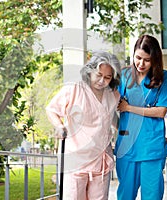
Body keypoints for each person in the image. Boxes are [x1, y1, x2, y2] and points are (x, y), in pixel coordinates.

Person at [46, 51, 121, 199]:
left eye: (107, 77)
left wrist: (124, 132)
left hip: (101, 158)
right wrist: (59, 126)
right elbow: (52, 109)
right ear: (90, 70)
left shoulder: (112, 94)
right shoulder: (74, 89)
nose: (102, 81)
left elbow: (110, 117)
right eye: (98, 75)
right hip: (76, 158)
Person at [114, 35, 167, 200]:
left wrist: (128, 108)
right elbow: (113, 105)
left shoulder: (164, 78)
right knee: (125, 196)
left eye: (147, 60)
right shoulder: (124, 75)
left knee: (152, 196)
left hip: (151, 147)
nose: (141, 64)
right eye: (138, 58)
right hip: (127, 146)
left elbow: (160, 111)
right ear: (133, 54)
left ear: (154, 59)